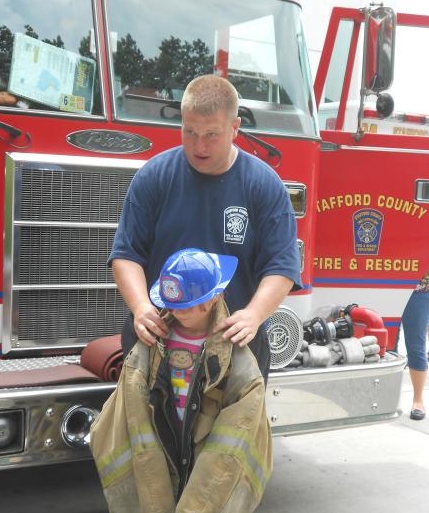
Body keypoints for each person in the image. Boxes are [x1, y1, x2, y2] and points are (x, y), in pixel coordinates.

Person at [109, 74, 302, 378]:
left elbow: (283, 267)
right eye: (189, 131)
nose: (199, 145)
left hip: (235, 348)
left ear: (235, 128)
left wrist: (253, 315)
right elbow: (126, 254)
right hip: (156, 342)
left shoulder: (264, 186)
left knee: (233, 428)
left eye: (211, 134)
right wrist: (141, 307)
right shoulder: (153, 177)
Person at [90, 248, 273, 513]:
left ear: (211, 300)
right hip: (161, 455)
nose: (174, 312)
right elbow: (124, 422)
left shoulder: (238, 361)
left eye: (184, 307)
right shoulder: (149, 344)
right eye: (169, 304)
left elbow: (229, 458)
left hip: (204, 466)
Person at [401, 268, 429, 420]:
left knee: (416, 346)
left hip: (419, 289)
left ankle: (418, 401)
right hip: (386, 284)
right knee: (381, 344)